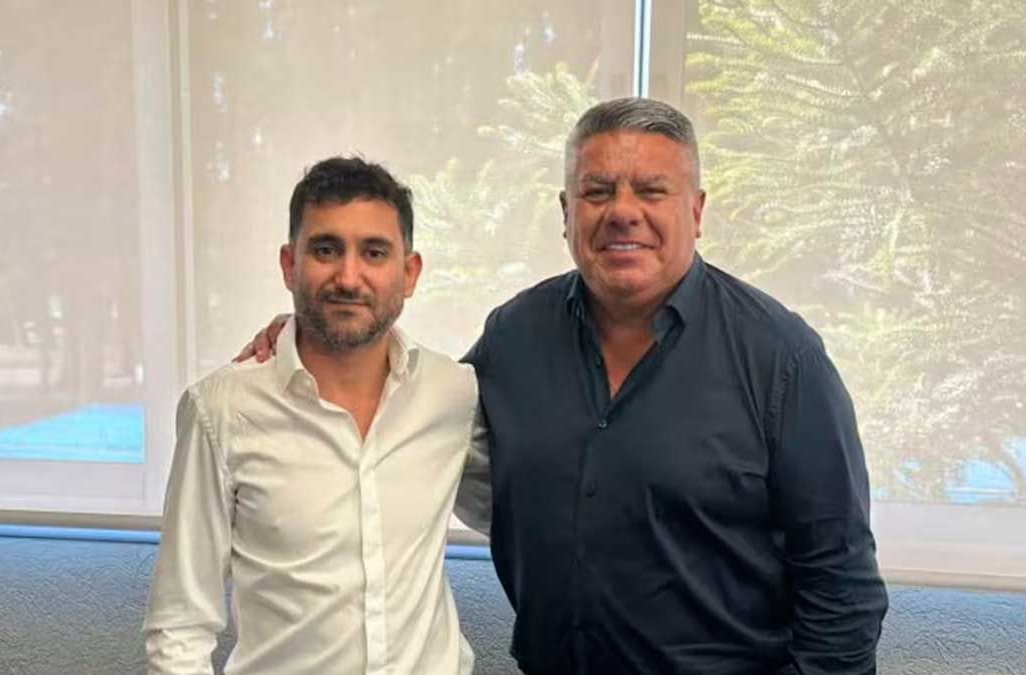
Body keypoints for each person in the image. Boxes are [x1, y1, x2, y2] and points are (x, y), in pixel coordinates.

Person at [238, 98, 888, 674]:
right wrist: (312, 335)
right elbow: (402, 408)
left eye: (651, 190)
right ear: (566, 212)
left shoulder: (781, 359)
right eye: (597, 191)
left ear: (695, 210)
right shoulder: (515, 336)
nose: (623, 212)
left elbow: (843, 588)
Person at [144, 157, 485, 674]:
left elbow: (524, 510)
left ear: (409, 272)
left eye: (374, 252)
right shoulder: (222, 410)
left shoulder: (453, 394)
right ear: (289, 265)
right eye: (326, 250)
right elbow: (180, 624)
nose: (348, 277)